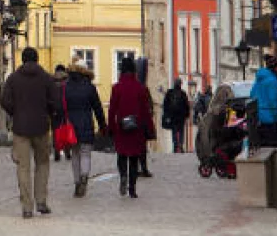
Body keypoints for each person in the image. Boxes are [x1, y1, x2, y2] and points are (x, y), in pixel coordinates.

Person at [0, 47, 60, 219]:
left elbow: (5, 101)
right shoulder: (46, 78)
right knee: (42, 164)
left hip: (20, 128)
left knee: (23, 167)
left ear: (23, 60)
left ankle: (27, 207)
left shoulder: (13, 79)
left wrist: (15, 112)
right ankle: (41, 201)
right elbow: (55, 102)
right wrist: (48, 112)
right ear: (37, 59)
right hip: (41, 127)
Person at [108, 57, 154, 198]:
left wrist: (111, 127)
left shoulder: (117, 88)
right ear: (134, 70)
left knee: (122, 155)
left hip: (121, 127)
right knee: (134, 158)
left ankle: (123, 176)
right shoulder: (140, 88)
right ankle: (132, 189)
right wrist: (150, 128)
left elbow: (112, 110)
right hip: (136, 128)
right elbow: (146, 111)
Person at [63, 59, 106, 197]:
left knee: (75, 154)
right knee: (86, 153)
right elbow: (98, 108)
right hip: (86, 123)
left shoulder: (65, 86)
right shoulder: (90, 87)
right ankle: (84, 178)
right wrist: (102, 125)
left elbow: (60, 106)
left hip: (71, 125)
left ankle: (77, 183)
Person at [250, 54, 277, 147]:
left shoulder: (259, 80)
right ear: (275, 67)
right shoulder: (273, 80)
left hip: (259, 119)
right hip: (271, 120)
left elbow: (252, 95)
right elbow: (274, 101)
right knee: (271, 148)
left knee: (262, 148)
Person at [162, 79, 191, 153]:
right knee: (181, 131)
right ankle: (181, 145)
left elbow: (165, 104)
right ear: (180, 84)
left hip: (172, 115)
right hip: (181, 116)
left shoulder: (170, 92)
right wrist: (187, 114)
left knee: (174, 131)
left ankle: (175, 145)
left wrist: (166, 115)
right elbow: (186, 105)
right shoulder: (183, 93)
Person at [51, 64, 70, 162]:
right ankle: (67, 151)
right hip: (66, 109)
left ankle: (57, 152)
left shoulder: (51, 80)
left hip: (54, 109)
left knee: (56, 130)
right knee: (66, 129)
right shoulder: (68, 80)